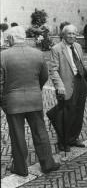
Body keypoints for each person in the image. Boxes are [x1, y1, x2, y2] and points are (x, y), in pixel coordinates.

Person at [0, 26, 60, 177]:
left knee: (17, 135)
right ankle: (48, 164)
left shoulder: (3, 56)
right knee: (40, 132)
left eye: (8, 39)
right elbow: (44, 76)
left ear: (12, 39)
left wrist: (3, 101)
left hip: (13, 102)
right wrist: (35, 89)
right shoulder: (38, 54)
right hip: (34, 99)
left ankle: (21, 168)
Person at [49, 24, 87, 152]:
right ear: (64, 35)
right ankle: (63, 141)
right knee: (65, 115)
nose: (72, 36)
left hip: (80, 83)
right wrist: (59, 86)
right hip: (65, 85)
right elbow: (53, 70)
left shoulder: (77, 46)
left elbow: (80, 63)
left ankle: (73, 138)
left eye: (74, 33)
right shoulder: (56, 49)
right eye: (69, 33)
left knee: (78, 112)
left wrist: (84, 77)